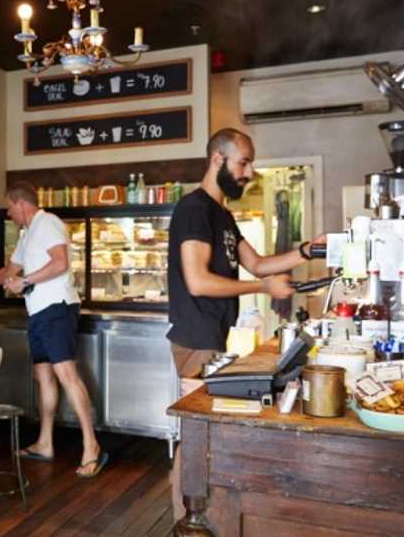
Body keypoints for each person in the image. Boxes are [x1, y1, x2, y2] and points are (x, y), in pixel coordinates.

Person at [167, 127, 326, 519]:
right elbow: (197, 281)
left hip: (213, 335)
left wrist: (308, 250)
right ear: (217, 159)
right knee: (196, 435)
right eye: (244, 162)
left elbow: (257, 263)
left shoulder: (221, 214)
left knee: (205, 434)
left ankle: (198, 517)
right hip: (196, 338)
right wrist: (262, 287)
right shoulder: (194, 209)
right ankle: (184, 522)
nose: (250, 172)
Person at [0, 181, 107, 478]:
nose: (8, 213)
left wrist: (27, 281)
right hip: (39, 313)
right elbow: (9, 273)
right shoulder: (27, 234)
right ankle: (45, 442)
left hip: (57, 309)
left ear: (21, 204)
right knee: (42, 375)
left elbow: (61, 263)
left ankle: (91, 446)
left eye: (9, 207)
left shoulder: (48, 222)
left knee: (66, 375)